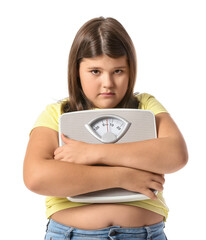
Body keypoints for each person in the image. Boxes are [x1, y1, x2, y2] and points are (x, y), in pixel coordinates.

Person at [23, 17, 188, 240]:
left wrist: (92, 153)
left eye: (118, 71)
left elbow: (175, 154)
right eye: (95, 71)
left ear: (131, 69)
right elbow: (36, 177)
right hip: (73, 234)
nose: (108, 83)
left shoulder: (146, 106)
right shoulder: (56, 114)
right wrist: (122, 177)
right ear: (76, 71)